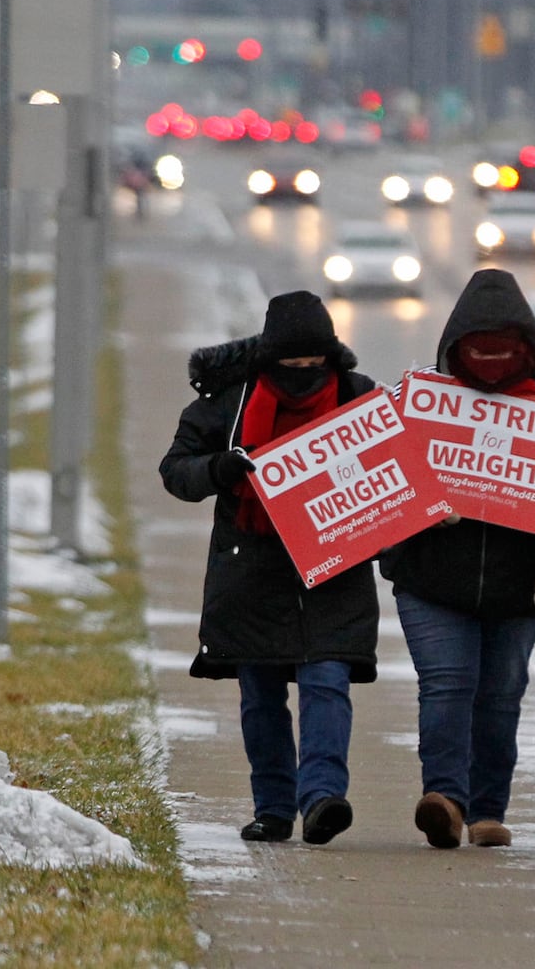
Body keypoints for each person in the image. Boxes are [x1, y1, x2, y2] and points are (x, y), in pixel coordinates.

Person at [380, 268, 535, 849]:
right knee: (447, 683)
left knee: (500, 693)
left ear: (528, 346)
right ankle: (445, 801)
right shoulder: (420, 400)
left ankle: (487, 809)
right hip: (431, 579)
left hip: (519, 586)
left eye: (505, 343)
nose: (491, 357)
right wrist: (410, 516)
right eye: (479, 343)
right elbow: (378, 472)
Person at [158, 290, 381, 846]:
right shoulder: (229, 404)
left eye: (315, 365)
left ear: (332, 358)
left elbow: (394, 478)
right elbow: (176, 470)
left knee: (327, 681)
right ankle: (274, 808)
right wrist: (221, 468)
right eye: (292, 366)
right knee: (260, 695)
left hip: (333, 570)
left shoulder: (360, 398)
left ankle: (323, 797)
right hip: (251, 572)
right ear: (269, 359)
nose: (305, 376)